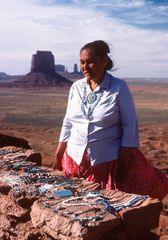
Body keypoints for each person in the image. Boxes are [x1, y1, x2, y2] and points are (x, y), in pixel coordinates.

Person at [53, 40, 168, 201]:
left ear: (104, 61)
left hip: (104, 163)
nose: (85, 67)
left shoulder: (119, 87)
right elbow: (68, 122)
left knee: (100, 208)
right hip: (72, 160)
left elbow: (130, 127)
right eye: (82, 62)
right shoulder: (76, 87)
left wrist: (123, 162)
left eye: (91, 62)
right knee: (73, 204)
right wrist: (59, 154)